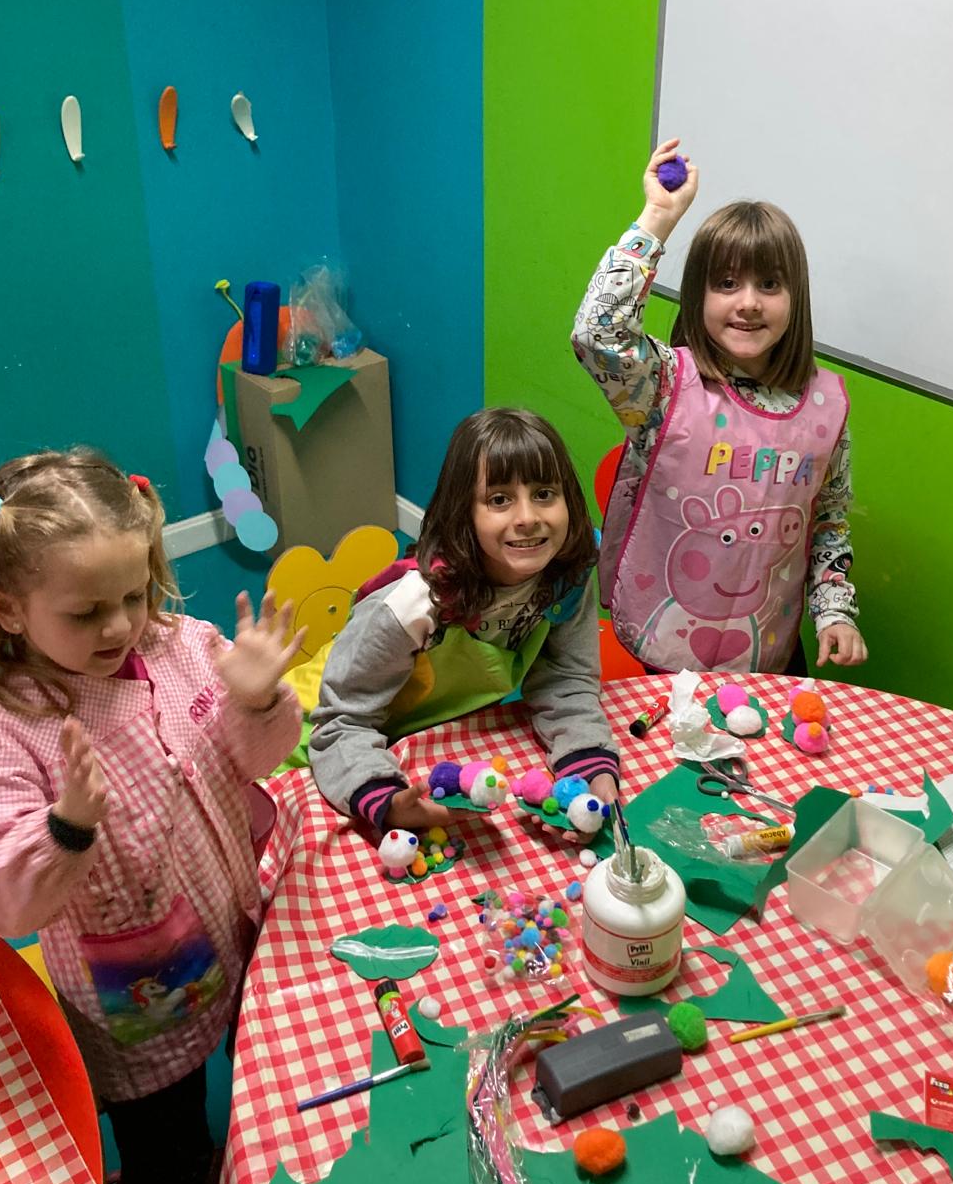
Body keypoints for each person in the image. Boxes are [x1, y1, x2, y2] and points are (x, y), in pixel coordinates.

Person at [0, 449, 303, 1184]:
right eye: (86, 612)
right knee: (168, 1146)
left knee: (255, 1081)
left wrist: (257, 701)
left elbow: (255, 760)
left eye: (134, 595)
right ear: (8, 608)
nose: (119, 627)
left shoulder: (185, 648)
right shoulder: (6, 732)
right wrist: (64, 827)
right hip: (139, 996)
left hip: (234, 924)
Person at [573, 137, 867, 676]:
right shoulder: (663, 386)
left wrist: (834, 612)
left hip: (771, 653)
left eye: (769, 284)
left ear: (795, 297)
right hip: (666, 648)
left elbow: (828, 520)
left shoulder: (826, 406)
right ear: (698, 295)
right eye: (727, 283)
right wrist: (658, 218)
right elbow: (597, 334)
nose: (749, 302)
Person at [309, 407, 619, 833]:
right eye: (499, 499)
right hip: (320, 740)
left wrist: (589, 763)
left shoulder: (566, 576)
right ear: (464, 513)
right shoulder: (414, 603)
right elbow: (340, 722)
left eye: (545, 493)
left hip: (424, 737)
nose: (528, 517)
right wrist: (385, 798)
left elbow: (566, 678)